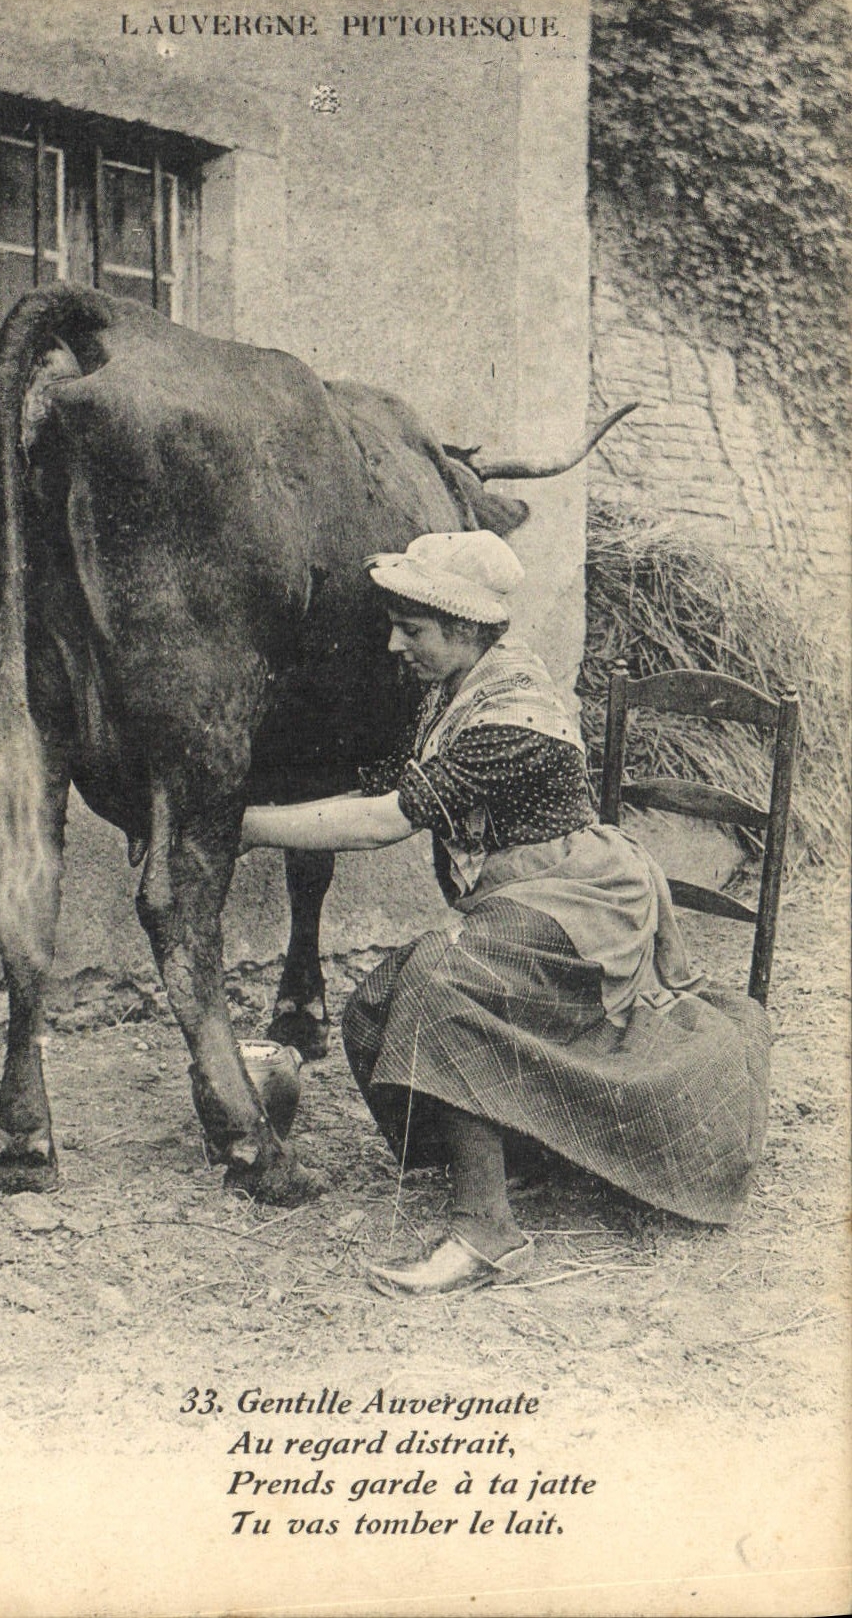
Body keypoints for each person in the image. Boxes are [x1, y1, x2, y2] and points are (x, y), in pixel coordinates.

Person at [239, 530, 770, 1296]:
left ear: (463, 628)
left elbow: (386, 817)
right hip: (527, 896)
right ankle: (527, 1150)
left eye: (411, 629)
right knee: (373, 1006)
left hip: (582, 900)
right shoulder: (456, 692)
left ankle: (488, 1232)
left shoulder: (510, 713)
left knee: (440, 985)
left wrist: (245, 826)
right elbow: (385, 778)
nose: (394, 642)